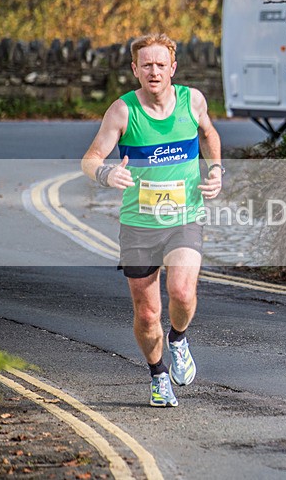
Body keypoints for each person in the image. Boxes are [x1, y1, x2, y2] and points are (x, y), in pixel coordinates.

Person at [82, 33, 223, 406]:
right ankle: (158, 374)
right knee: (147, 314)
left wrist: (217, 170)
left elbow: (209, 135)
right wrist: (106, 175)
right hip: (140, 224)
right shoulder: (123, 111)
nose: (154, 71)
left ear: (173, 68)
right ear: (135, 70)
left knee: (182, 292)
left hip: (185, 217)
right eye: (147, 65)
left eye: (161, 64)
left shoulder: (192, 101)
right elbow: (91, 158)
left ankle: (178, 338)